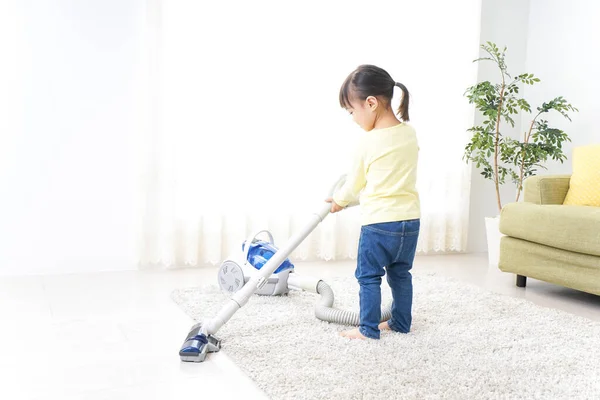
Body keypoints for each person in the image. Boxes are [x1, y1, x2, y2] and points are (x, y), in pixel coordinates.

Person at [326, 64, 421, 340]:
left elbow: (354, 184)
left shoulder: (367, 142)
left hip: (379, 223)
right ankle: (401, 322)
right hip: (410, 222)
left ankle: (367, 329)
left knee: (368, 276)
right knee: (401, 274)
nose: (353, 118)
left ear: (371, 103)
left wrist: (338, 202)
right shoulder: (409, 134)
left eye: (351, 111)